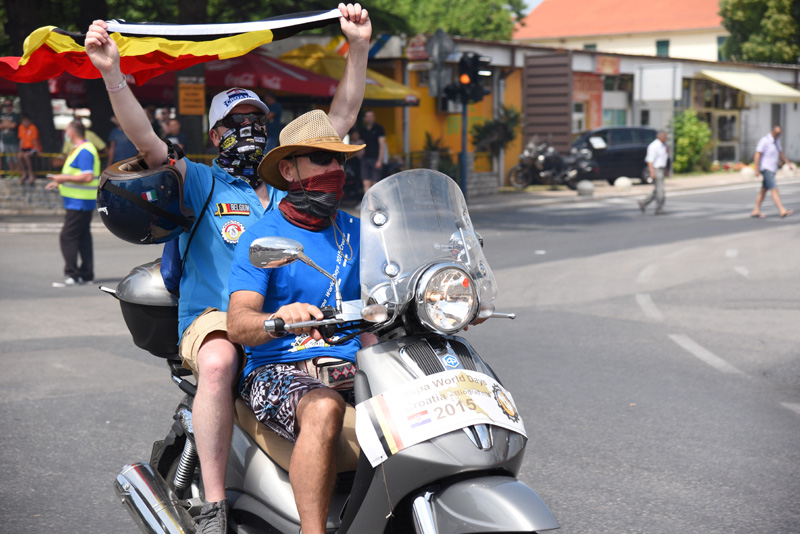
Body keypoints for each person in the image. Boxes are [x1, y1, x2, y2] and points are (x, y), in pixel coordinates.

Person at [85, 5, 370, 534]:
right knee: (219, 360)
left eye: (258, 121)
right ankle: (213, 505)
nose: (250, 130)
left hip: (284, 326)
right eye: (237, 123)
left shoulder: (288, 185)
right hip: (217, 318)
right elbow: (145, 140)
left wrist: (357, 46)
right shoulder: (199, 181)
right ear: (215, 135)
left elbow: (340, 123)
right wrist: (111, 73)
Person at [226, 110, 367, 534]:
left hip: (351, 363)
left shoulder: (360, 233)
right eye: (321, 160)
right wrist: (277, 319)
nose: (335, 171)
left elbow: (395, 291)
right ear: (288, 169)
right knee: (324, 407)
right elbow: (238, 324)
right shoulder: (262, 238)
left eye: (340, 161)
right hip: (278, 369)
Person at [45, 120, 100, 287]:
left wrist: (62, 178)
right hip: (79, 200)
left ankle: (73, 275)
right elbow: (77, 175)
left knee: (67, 236)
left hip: (79, 201)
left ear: (71, 132)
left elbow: (87, 176)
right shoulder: (81, 149)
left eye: (66, 131)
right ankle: (86, 275)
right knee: (82, 236)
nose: (65, 134)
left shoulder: (84, 151)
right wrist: (58, 182)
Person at [750, 125, 795, 219]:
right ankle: (782, 210)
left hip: (772, 169)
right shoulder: (764, 140)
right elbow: (757, 155)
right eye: (776, 133)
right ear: (772, 131)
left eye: (779, 134)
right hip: (766, 169)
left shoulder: (776, 141)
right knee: (774, 189)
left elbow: (780, 153)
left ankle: (756, 210)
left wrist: (788, 163)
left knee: (763, 190)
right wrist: (756, 169)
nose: (777, 135)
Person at [638, 130, 669, 215]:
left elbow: (663, 158)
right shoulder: (654, 146)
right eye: (665, 136)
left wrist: (666, 170)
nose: (666, 138)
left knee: (657, 190)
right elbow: (650, 160)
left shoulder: (664, 145)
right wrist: (652, 172)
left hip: (661, 168)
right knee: (660, 190)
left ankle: (643, 202)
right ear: (660, 136)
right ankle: (659, 208)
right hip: (656, 169)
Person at [357, 109, 386, 193]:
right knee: (366, 182)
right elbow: (361, 143)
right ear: (365, 118)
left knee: (375, 183)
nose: (370, 118)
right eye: (368, 117)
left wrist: (380, 160)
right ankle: (368, 203)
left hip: (375, 158)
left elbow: (382, 145)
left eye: (371, 116)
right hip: (365, 158)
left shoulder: (379, 128)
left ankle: (374, 204)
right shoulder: (363, 130)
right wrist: (360, 153)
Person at [17, 114, 42, 185]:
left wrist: (38, 151)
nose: (25, 123)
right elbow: (21, 140)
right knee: (19, 156)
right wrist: (20, 150)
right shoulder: (21, 127)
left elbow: (35, 140)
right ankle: (24, 173)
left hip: (33, 148)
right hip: (25, 148)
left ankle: (31, 174)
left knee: (26, 156)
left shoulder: (33, 128)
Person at [0, 100, 19, 178]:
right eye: (6, 105)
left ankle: (17, 174)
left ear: (12, 106)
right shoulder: (2, 115)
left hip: (13, 140)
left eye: (9, 105)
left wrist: (4, 125)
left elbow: (13, 126)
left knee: (15, 158)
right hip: (4, 140)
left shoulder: (15, 115)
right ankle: (12, 174)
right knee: (8, 159)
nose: (8, 107)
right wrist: (8, 124)